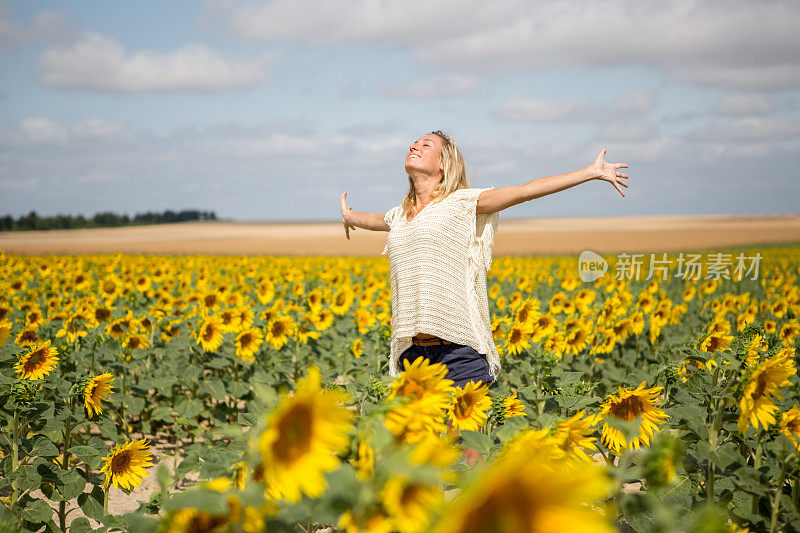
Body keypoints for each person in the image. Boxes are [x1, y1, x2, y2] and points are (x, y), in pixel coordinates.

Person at [340, 130, 628, 388]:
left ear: (443, 164)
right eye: (413, 143)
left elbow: (525, 191)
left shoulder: (462, 203)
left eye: (425, 144)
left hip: (458, 352)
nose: (413, 146)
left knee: (467, 445)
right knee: (420, 445)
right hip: (413, 354)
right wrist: (349, 216)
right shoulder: (400, 215)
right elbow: (376, 219)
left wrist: (590, 172)